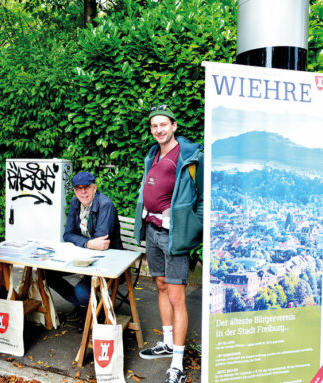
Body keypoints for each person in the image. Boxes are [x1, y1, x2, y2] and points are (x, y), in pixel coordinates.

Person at [134, 105, 203, 383]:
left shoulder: (189, 156)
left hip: (174, 236)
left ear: (174, 126)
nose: (159, 130)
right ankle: (167, 343)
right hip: (152, 231)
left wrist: (189, 228)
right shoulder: (153, 154)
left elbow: (202, 199)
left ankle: (177, 363)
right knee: (160, 286)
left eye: (163, 124)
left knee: (177, 297)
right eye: (154, 126)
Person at [46, 171, 123, 323]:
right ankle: (84, 308)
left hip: (108, 262)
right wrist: (88, 243)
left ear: (94, 187)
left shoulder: (105, 205)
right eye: (78, 188)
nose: (83, 192)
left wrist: (84, 242)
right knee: (48, 274)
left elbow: (102, 242)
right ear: (74, 190)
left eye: (86, 187)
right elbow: (68, 234)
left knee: (81, 291)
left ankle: (93, 315)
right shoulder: (75, 203)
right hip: (83, 257)